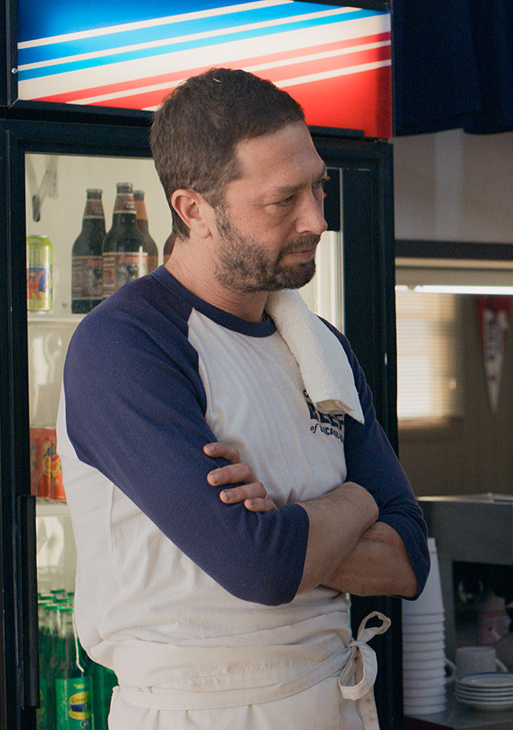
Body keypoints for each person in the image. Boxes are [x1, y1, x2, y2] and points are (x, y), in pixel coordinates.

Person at [57, 68, 429, 728]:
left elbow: (408, 559)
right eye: (282, 200)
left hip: (334, 698)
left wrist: (288, 521)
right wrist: (357, 497)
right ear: (193, 209)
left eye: (318, 186)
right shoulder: (126, 344)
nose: (317, 218)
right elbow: (258, 566)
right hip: (198, 712)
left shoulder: (319, 345)